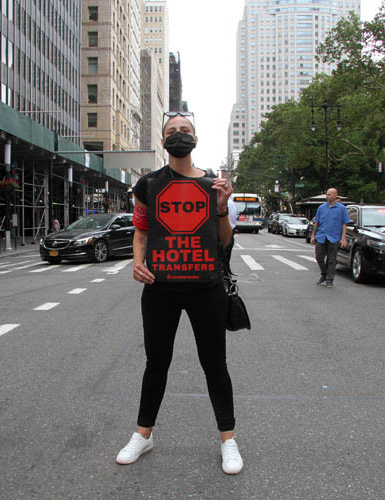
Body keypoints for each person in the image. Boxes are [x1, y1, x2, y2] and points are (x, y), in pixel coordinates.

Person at [116, 111, 243, 475]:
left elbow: (225, 241)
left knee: (215, 364)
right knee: (156, 364)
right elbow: (141, 231)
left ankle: (228, 440)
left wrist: (222, 209)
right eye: (171, 131)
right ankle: (143, 434)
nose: (178, 135)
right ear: (162, 141)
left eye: (185, 130)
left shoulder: (214, 186)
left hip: (207, 288)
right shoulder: (148, 185)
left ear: (196, 139)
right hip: (160, 289)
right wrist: (137, 262)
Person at [310, 187, 350, 288]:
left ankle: (329, 279)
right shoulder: (321, 208)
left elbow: (344, 224)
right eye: (327, 194)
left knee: (332, 259)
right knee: (319, 257)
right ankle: (324, 273)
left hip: (334, 237)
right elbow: (316, 223)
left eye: (329, 194)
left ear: (335, 195)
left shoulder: (341, 208)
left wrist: (343, 238)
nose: (327, 196)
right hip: (321, 236)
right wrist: (313, 236)